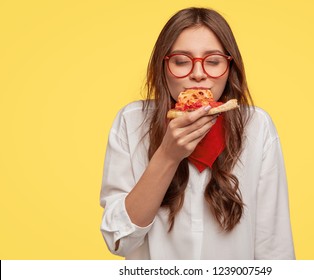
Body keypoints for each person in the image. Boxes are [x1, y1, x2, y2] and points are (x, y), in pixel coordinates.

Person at [100, 7, 295, 260]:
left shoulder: (256, 126)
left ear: (230, 67)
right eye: (181, 61)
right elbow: (119, 240)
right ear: (163, 67)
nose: (199, 74)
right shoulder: (131, 121)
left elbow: (274, 247)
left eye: (213, 61)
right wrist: (168, 156)